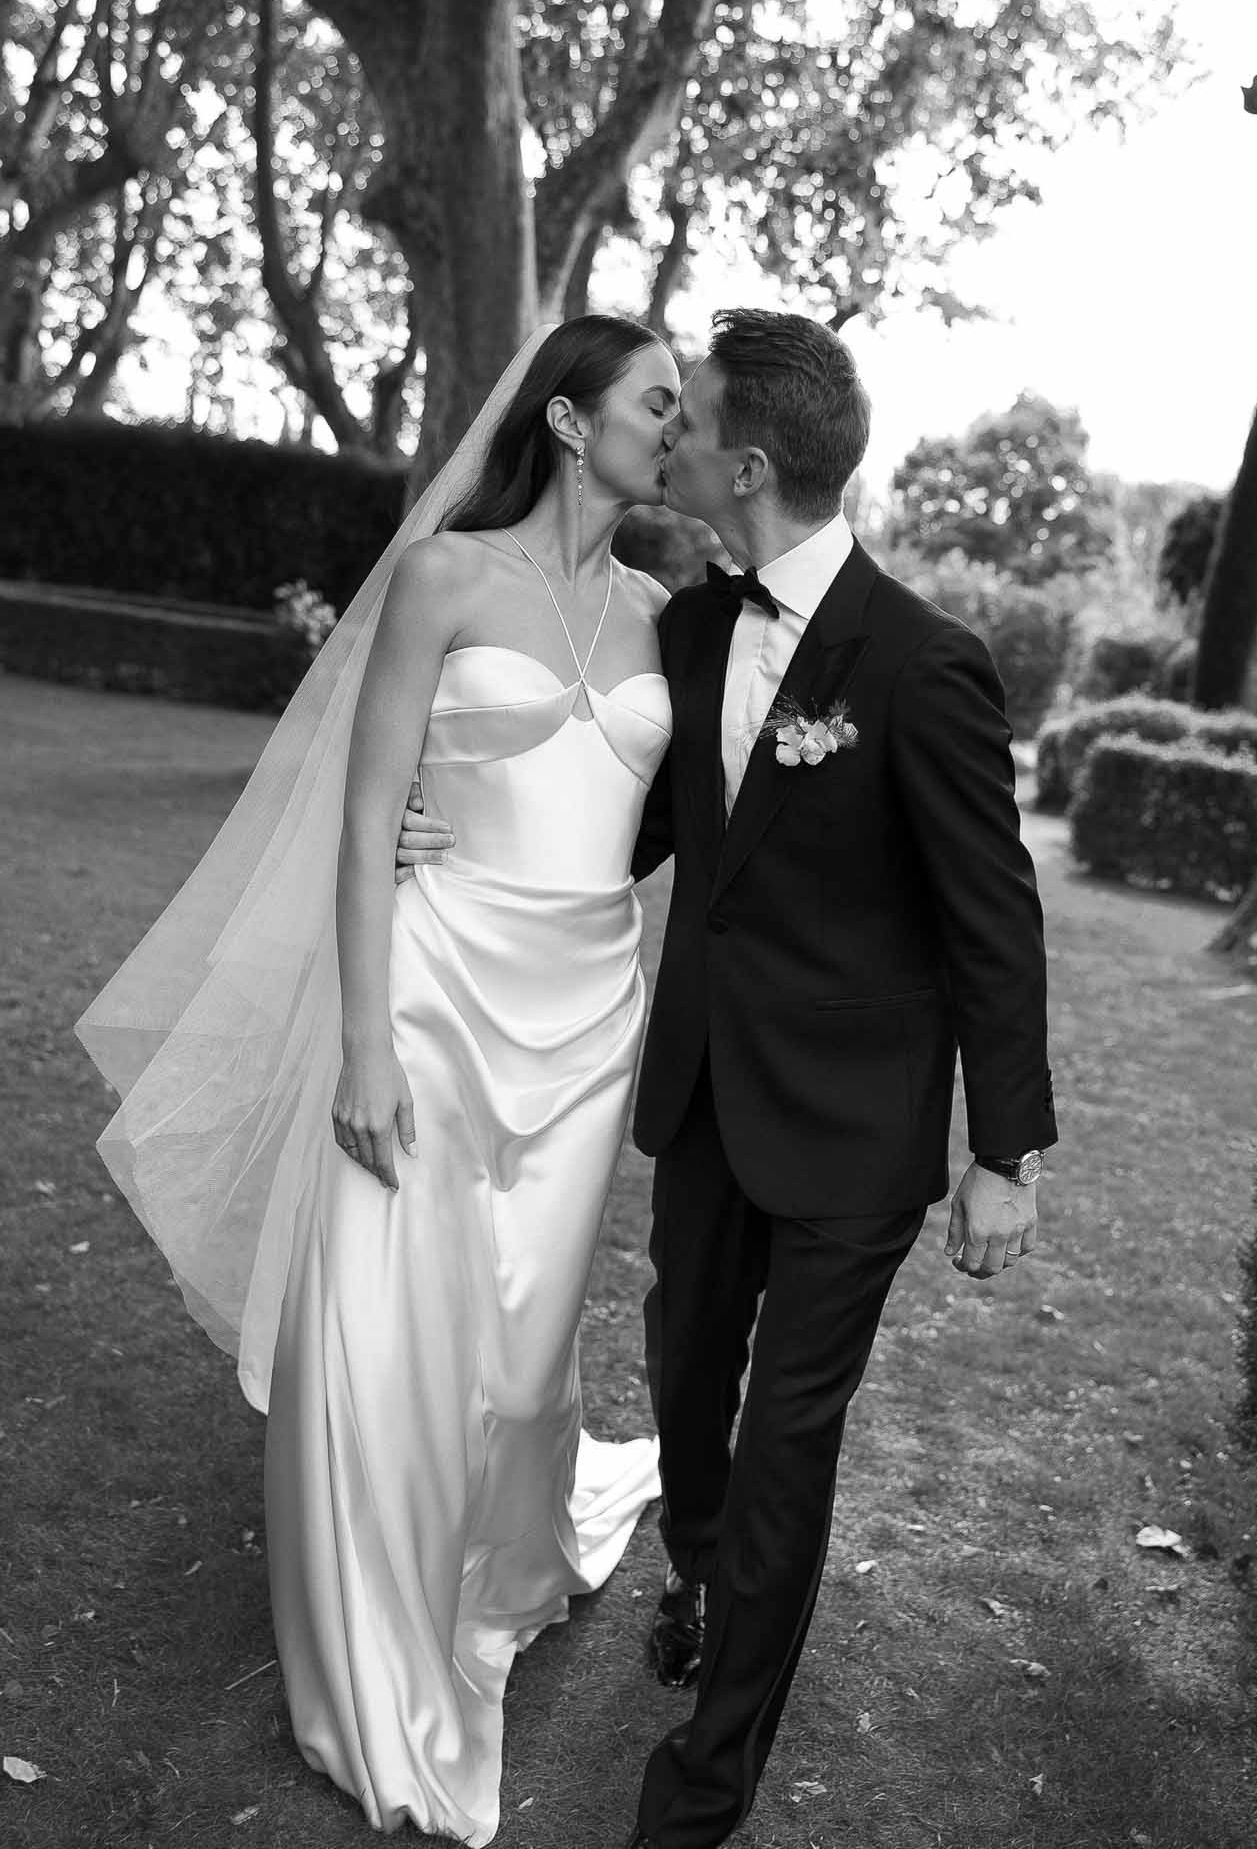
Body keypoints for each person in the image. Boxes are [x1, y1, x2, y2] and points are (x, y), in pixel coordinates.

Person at [398, 308, 1057, 1849]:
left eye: (682, 419)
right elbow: (626, 816)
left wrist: (1002, 1152)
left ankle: (703, 1783)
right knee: (685, 1386)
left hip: (854, 1137)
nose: (665, 436)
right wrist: (451, 823)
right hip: (700, 1099)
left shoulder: (922, 664)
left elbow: (992, 919)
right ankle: (696, 1572)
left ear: (744, 463)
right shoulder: (686, 630)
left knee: (782, 1449)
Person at [77, 315, 685, 1843]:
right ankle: (375, 1653)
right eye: (655, 405)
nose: (673, 431)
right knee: (386, 1322)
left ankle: (500, 1565)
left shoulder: (665, 611)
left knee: (527, 1344)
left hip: (592, 1011)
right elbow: (364, 826)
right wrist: (359, 1039)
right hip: (425, 991)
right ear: (566, 419)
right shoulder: (441, 579)